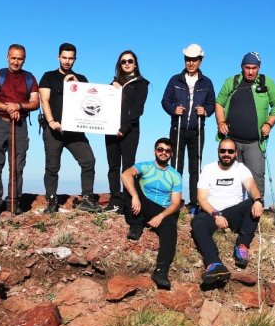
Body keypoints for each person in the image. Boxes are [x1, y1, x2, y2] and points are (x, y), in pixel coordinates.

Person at [191, 138, 265, 285]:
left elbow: (251, 187)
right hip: (212, 212)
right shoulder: (208, 169)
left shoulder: (241, 168)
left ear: (235, 153)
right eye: (223, 151)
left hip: (234, 212)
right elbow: (201, 199)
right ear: (218, 152)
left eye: (230, 151)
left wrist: (258, 200)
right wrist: (215, 214)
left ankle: (242, 245)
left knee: (251, 203)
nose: (226, 154)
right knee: (197, 223)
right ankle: (214, 263)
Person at [38, 43, 100, 213]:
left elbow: (88, 101)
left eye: (70, 58)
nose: (67, 61)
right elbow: (44, 100)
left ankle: (87, 198)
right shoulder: (48, 76)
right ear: (58, 57)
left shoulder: (82, 78)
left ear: (75, 59)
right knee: (52, 166)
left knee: (88, 160)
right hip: (54, 129)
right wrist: (51, 122)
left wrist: (76, 83)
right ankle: (51, 200)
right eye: (64, 57)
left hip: (75, 130)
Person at [214, 52, 275, 197]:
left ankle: (255, 213)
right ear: (242, 67)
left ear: (259, 68)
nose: (250, 71)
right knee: (230, 177)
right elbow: (219, 103)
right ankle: (230, 210)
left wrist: (269, 124)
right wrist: (220, 122)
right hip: (231, 141)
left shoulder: (267, 82)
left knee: (256, 178)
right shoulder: (231, 82)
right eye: (247, 67)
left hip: (255, 142)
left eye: (254, 68)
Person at [160, 43, 216, 213]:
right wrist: (173, 109)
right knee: (176, 164)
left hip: (197, 130)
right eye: (188, 59)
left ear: (200, 60)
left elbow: (212, 104)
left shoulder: (207, 82)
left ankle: (194, 203)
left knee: (195, 167)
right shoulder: (175, 80)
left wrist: (205, 111)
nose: (190, 63)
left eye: (194, 60)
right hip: (177, 128)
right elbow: (165, 101)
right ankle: (174, 201)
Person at [121, 138, 182, 289]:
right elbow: (125, 174)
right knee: (130, 184)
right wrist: (135, 196)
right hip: (142, 202)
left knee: (170, 229)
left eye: (167, 151)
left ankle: (161, 271)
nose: (163, 153)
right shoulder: (146, 166)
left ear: (171, 154)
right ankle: (136, 225)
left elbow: (175, 203)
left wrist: (161, 216)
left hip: (161, 208)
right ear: (155, 151)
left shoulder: (175, 175)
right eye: (160, 149)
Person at [0, 44, 39, 216]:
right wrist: (9, 108)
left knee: (17, 165)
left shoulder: (29, 78)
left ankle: (13, 201)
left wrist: (19, 106)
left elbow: (35, 103)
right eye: (13, 58)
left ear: (24, 59)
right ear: (7, 57)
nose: (16, 62)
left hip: (20, 125)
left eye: (20, 58)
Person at [105, 50, 149, 213]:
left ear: (135, 63)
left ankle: (127, 200)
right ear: (119, 64)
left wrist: (123, 129)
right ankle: (115, 200)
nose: (127, 64)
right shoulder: (113, 84)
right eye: (123, 62)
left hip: (129, 131)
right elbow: (104, 106)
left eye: (130, 61)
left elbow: (137, 110)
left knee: (128, 166)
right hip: (110, 131)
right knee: (113, 166)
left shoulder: (142, 84)